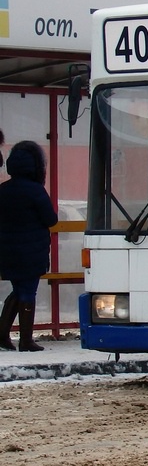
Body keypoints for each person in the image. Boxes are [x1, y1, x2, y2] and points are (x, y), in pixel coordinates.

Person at [0, 142, 57, 352]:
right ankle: (25, 340)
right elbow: (51, 220)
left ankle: (3, 334)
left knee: (19, 290)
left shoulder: (3, 190)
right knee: (27, 292)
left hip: (7, 251)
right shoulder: (36, 191)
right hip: (32, 252)